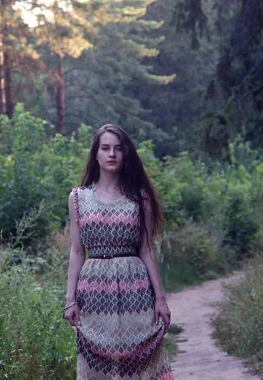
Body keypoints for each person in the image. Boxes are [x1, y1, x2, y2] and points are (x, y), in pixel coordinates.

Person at [64, 124, 174, 379]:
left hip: (135, 287)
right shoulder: (78, 198)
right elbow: (77, 251)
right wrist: (70, 299)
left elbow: (146, 249)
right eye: (105, 148)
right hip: (92, 290)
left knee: (137, 363)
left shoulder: (140, 197)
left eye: (118, 148)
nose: (111, 154)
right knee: (98, 366)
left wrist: (160, 298)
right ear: (96, 155)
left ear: (125, 155)